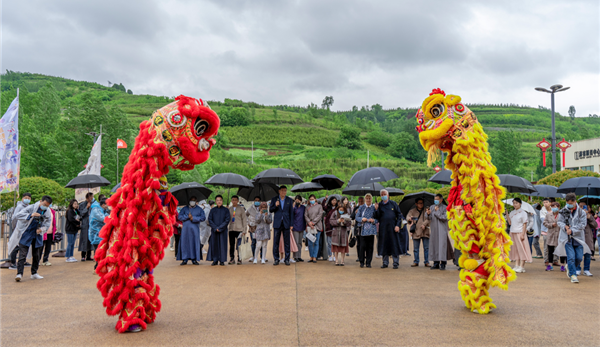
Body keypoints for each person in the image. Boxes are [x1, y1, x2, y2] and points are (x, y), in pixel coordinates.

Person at [14, 196, 52, 282]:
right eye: (44, 204)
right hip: (27, 233)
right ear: (40, 201)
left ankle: (34, 273)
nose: (45, 207)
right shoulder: (31, 207)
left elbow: (47, 222)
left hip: (37, 234)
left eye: (47, 205)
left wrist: (42, 229)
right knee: (22, 254)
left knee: (37, 254)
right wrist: (31, 215)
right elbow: (18, 215)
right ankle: (19, 273)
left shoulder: (47, 211)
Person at [556, 193, 592, 283]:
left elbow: (582, 224)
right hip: (566, 238)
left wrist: (572, 230)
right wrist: (565, 227)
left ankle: (570, 267)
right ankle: (573, 274)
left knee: (579, 258)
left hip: (578, 238)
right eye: (568, 203)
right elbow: (559, 222)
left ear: (575, 201)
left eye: (571, 203)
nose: (569, 205)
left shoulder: (581, 212)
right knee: (571, 257)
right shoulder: (562, 211)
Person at [374, 189, 404, 269]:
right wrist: (376, 209)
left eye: (385, 194)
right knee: (384, 245)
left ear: (388, 195)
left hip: (393, 227)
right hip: (383, 228)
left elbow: (399, 215)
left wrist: (398, 225)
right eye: (382, 194)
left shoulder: (393, 204)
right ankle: (385, 262)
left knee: (394, 244)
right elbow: (377, 217)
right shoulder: (379, 205)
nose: (383, 195)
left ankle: (395, 263)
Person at [427, 194, 454, 270]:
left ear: (441, 200)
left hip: (442, 230)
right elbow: (429, 218)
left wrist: (437, 211)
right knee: (434, 246)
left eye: (437, 199)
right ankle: (436, 263)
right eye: (435, 199)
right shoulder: (432, 207)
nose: (436, 201)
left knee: (442, 246)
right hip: (434, 230)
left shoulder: (445, 208)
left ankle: (443, 263)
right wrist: (428, 214)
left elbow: (444, 218)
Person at [269, 186, 294, 266]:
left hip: (286, 223)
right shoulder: (274, 199)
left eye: (285, 191)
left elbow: (291, 213)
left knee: (287, 242)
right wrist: (275, 206)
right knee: (276, 242)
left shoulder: (289, 200)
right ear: (279, 191)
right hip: (277, 223)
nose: (284, 192)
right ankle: (276, 259)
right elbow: (270, 210)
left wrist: (291, 224)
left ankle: (287, 259)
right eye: (282, 191)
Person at [177, 196, 206, 265]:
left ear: (196, 201)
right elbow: (179, 217)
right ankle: (185, 259)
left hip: (195, 230)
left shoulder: (199, 209)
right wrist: (187, 216)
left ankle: (194, 259)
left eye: (194, 200)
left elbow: (203, 218)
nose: (192, 201)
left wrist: (193, 218)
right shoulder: (184, 209)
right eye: (191, 200)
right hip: (185, 230)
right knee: (185, 243)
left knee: (194, 243)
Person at [7, 193, 33, 269]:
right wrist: (15, 227)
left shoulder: (29, 207)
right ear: (22, 198)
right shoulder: (19, 207)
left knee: (24, 245)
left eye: (29, 198)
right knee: (16, 245)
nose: (27, 199)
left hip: (25, 229)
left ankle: (23, 261)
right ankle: (13, 262)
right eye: (25, 197)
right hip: (18, 229)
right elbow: (15, 217)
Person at [507, 198, 532, 273]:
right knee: (515, 249)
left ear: (520, 204)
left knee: (522, 249)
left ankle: (522, 266)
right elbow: (510, 223)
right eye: (514, 203)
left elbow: (525, 224)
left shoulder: (523, 213)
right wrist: (507, 214)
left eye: (516, 203)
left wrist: (523, 234)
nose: (515, 204)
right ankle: (517, 265)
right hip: (513, 232)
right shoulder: (512, 212)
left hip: (520, 232)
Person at [406, 198, 431, 267]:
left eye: (422, 203)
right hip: (416, 231)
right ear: (416, 204)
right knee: (416, 248)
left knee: (426, 248)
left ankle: (427, 261)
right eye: (419, 203)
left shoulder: (427, 210)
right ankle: (416, 261)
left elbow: (429, 218)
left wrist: (424, 224)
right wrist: (410, 219)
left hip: (425, 231)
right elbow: (407, 217)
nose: (421, 204)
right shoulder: (412, 211)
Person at [354, 194, 377, 268]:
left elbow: (377, 218)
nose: (368, 200)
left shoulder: (374, 208)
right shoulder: (361, 207)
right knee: (362, 246)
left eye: (369, 198)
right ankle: (361, 261)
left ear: (371, 199)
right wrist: (361, 219)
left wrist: (373, 220)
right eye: (367, 198)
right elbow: (357, 217)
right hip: (363, 229)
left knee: (370, 246)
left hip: (371, 229)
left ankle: (368, 262)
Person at [207, 195, 230, 266]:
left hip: (223, 230)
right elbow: (210, 220)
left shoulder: (226, 210)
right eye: (217, 200)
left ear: (222, 201)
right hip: (214, 230)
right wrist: (215, 228)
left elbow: (227, 220)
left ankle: (222, 260)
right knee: (214, 244)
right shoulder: (212, 210)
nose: (219, 201)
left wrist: (220, 228)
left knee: (223, 245)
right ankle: (215, 260)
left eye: (220, 200)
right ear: (216, 201)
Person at [542, 202, 565, 271]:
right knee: (550, 251)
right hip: (551, 234)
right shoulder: (548, 215)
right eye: (553, 207)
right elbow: (544, 223)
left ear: (559, 207)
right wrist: (551, 224)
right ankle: (550, 265)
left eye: (556, 207)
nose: (554, 208)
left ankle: (562, 265)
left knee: (561, 251)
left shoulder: (562, 215)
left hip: (560, 235)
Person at [89, 198, 110, 270]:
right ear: (103, 204)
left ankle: (99, 265)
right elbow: (103, 218)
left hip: (100, 233)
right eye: (107, 205)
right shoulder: (95, 210)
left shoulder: (102, 209)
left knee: (100, 249)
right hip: (95, 234)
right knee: (97, 249)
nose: (108, 206)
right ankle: (97, 266)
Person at [227, 195, 248, 264]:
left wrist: (244, 230)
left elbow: (244, 220)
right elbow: (227, 219)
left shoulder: (241, 209)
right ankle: (232, 258)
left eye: (236, 200)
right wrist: (226, 210)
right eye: (233, 200)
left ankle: (240, 258)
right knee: (231, 245)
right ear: (231, 201)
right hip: (231, 229)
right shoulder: (229, 209)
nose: (234, 201)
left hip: (239, 229)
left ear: (238, 201)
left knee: (239, 245)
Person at [539, 198, 560, 267]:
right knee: (547, 247)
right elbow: (543, 221)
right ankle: (546, 260)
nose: (545, 203)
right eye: (544, 202)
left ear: (550, 203)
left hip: (556, 232)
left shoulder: (557, 212)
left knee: (556, 246)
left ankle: (555, 260)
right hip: (546, 231)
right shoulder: (542, 211)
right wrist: (551, 224)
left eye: (547, 202)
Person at [304, 194, 323, 263]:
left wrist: (313, 223)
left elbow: (320, 215)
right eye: (310, 199)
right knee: (309, 242)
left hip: (317, 226)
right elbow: (305, 215)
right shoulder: (307, 207)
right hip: (309, 227)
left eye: (312, 199)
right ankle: (311, 256)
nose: (311, 200)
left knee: (316, 242)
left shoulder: (319, 206)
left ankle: (315, 256)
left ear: (315, 199)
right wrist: (309, 223)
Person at [78, 192, 95, 261]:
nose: (92, 198)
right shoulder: (82, 204)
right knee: (84, 240)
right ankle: (83, 256)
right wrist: (86, 208)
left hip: (91, 224)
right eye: (91, 197)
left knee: (90, 240)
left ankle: (89, 256)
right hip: (85, 224)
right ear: (88, 198)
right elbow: (81, 214)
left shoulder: (93, 204)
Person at [582, 205, 597, 276]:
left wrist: (589, 218)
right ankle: (577, 268)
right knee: (578, 255)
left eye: (586, 208)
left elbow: (595, 225)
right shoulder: (576, 214)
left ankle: (586, 269)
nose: (584, 209)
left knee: (588, 254)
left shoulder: (590, 216)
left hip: (588, 237)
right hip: (579, 237)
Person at [322, 196, 338, 262]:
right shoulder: (328, 208)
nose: (334, 201)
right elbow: (322, 206)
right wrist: (325, 199)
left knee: (335, 242)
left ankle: (334, 255)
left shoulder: (338, 208)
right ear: (330, 201)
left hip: (335, 227)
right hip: (328, 227)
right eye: (333, 200)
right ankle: (330, 255)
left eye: (335, 200)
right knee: (329, 242)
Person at [246, 196, 262, 262]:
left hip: (261, 227)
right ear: (254, 201)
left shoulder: (263, 207)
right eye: (256, 200)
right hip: (252, 227)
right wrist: (248, 223)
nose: (257, 202)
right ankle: (253, 256)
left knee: (261, 242)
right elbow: (245, 215)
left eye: (258, 200)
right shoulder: (250, 208)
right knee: (253, 242)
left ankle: (262, 257)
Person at [292, 195, 306, 262]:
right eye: (296, 200)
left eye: (299, 200)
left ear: (301, 200)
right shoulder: (294, 208)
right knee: (296, 242)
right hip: (295, 227)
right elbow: (291, 216)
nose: (297, 201)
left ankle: (299, 256)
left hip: (302, 226)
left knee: (300, 243)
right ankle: (295, 256)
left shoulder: (303, 207)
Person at [350, 196, 365, 262]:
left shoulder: (366, 208)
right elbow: (352, 217)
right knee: (359, 243)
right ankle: (359, 256)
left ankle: (365, 256)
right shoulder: (356, 208)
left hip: (365, 227)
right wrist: (355, 212)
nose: (360, 203)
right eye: (359, 201)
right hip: (358, 228)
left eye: (362, 201)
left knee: (365, 243)